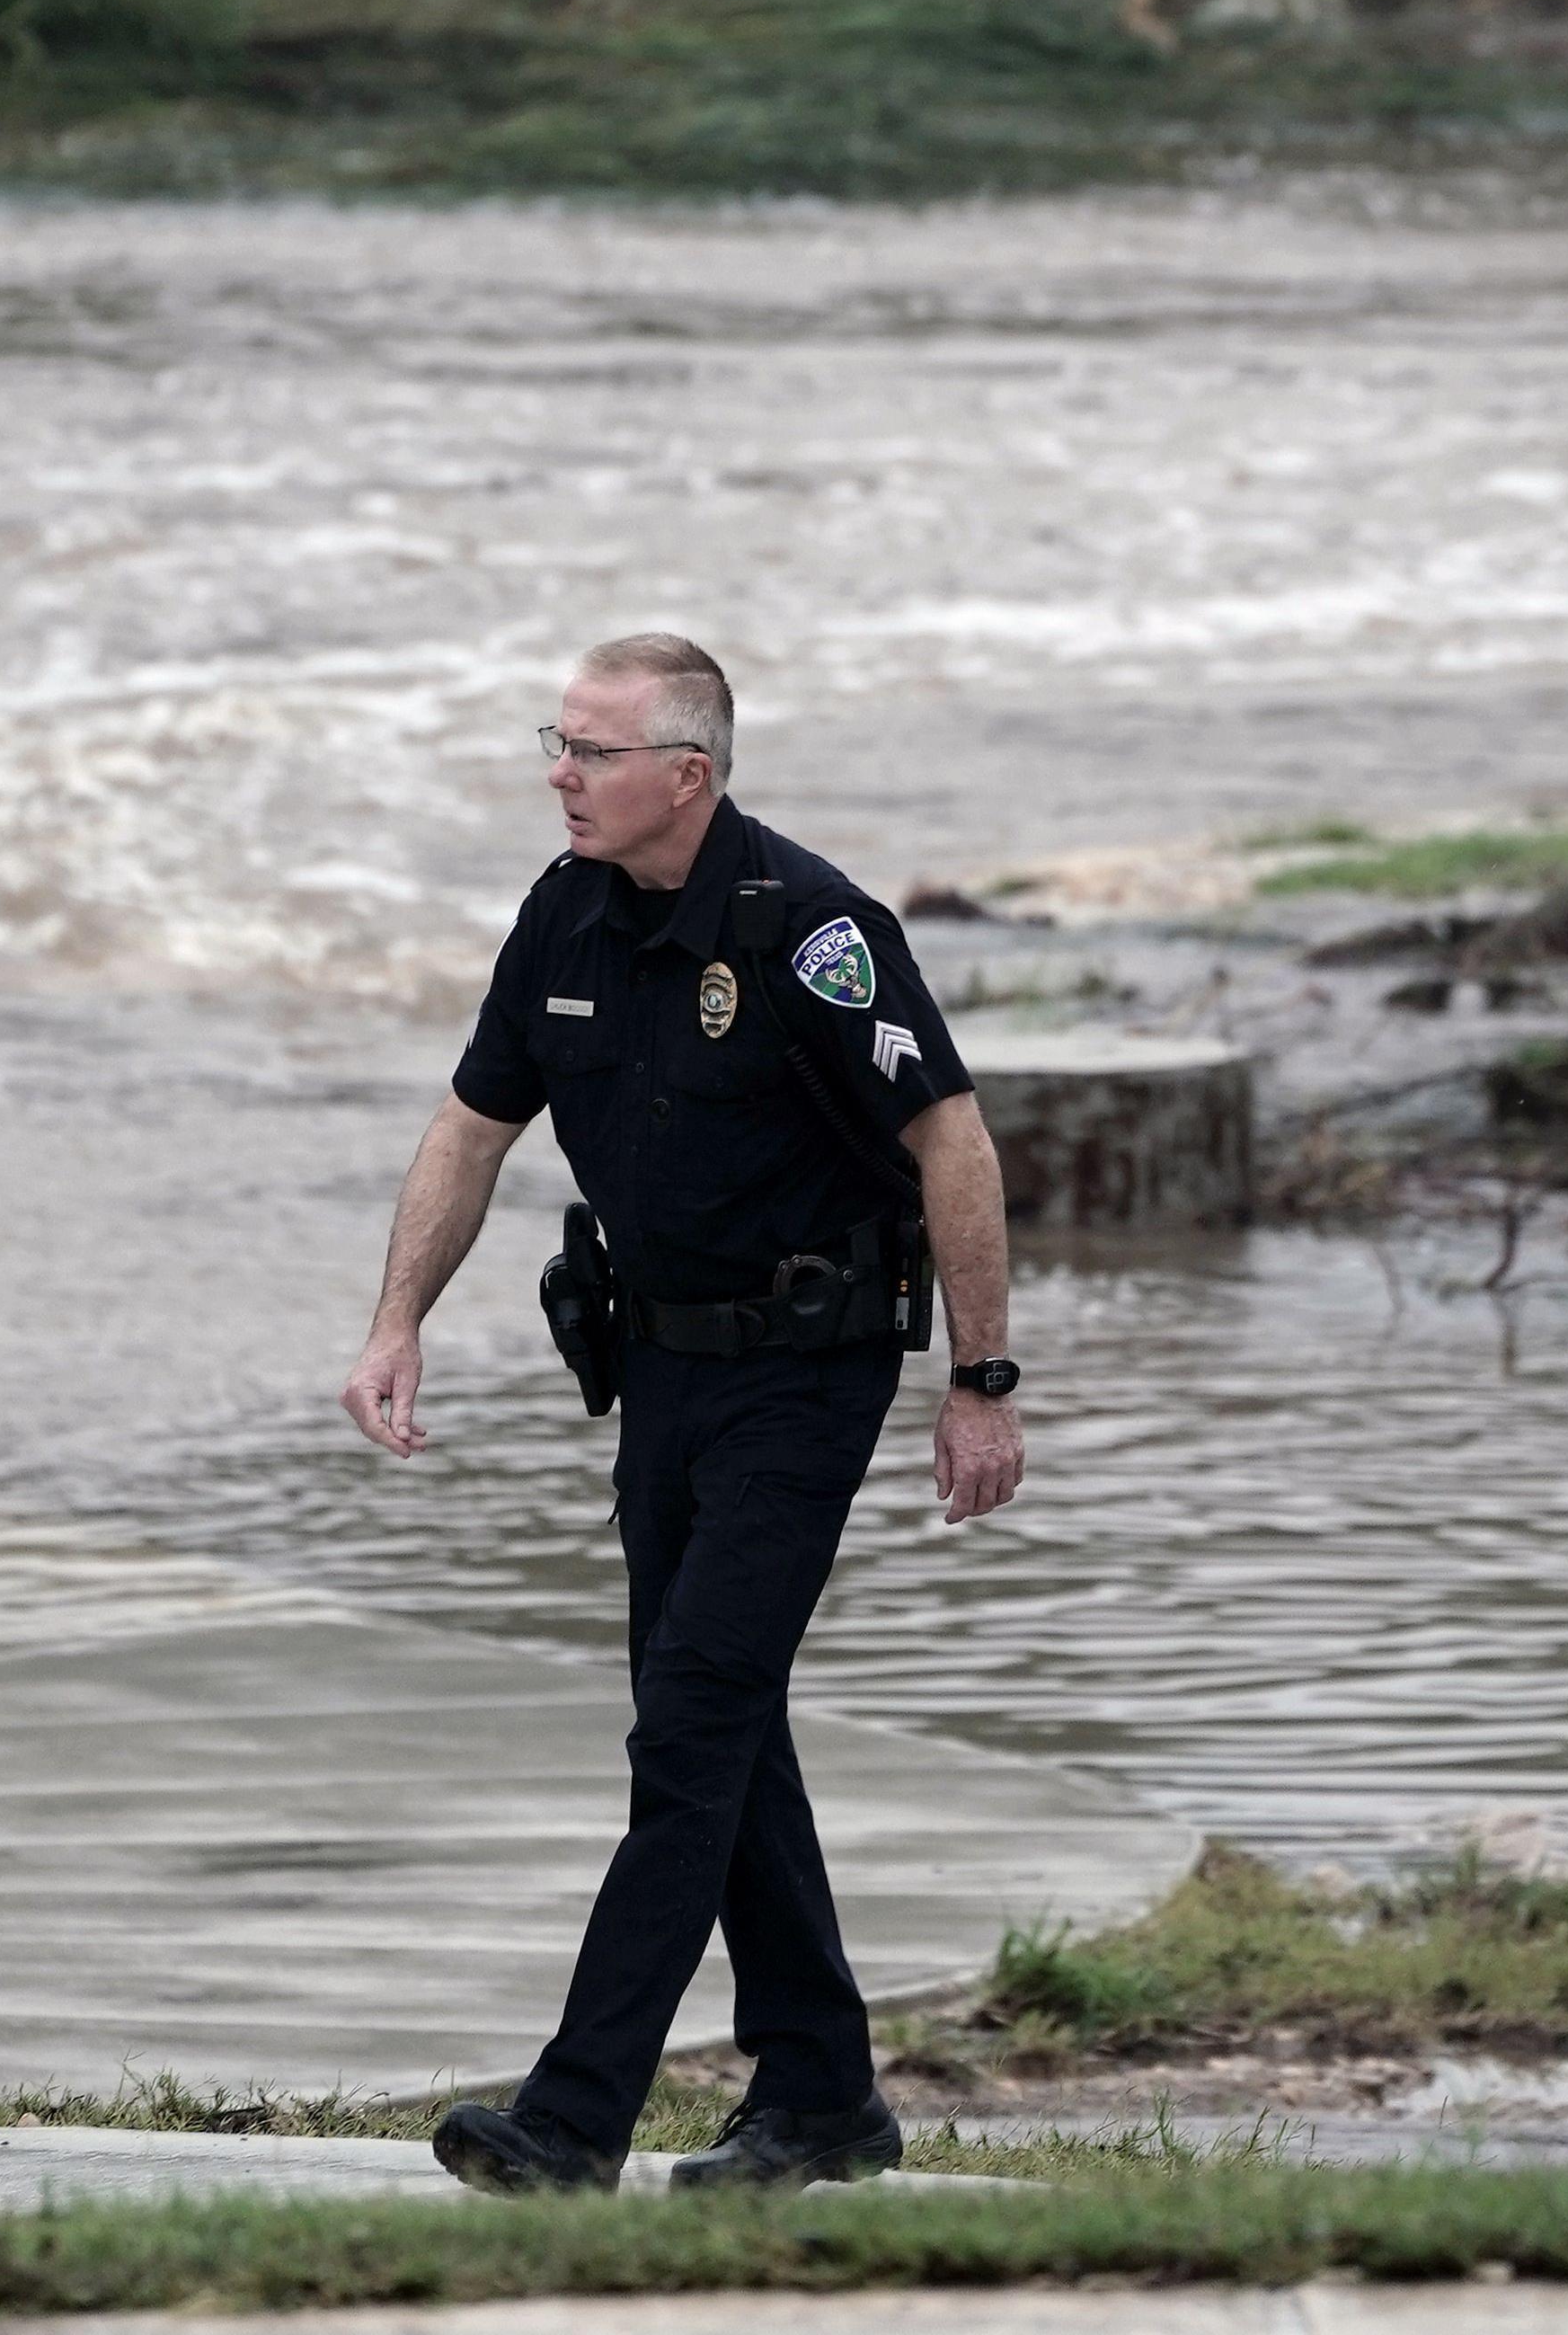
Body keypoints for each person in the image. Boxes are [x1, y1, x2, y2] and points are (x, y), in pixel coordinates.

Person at [341, 631, 1025, 2196]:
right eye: (556, 742)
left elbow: (955, 1144)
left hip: (808, 1370)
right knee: (726, 1727)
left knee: (694, 1722)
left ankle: (574, 2120)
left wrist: (979, 1383)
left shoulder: (815, 931)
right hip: (660, 1375)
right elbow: (472, 1124)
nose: (559, 773)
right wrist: (397, 1323)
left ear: (688, 777)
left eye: (590, 750)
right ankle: (823, 2097)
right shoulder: (562, 911)